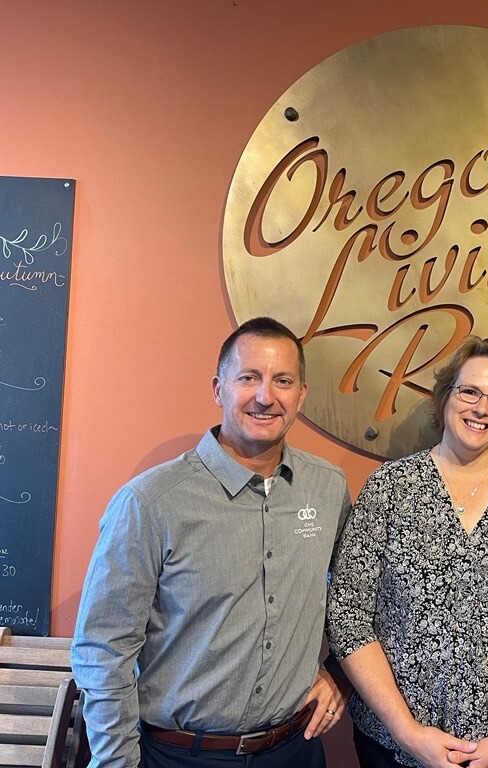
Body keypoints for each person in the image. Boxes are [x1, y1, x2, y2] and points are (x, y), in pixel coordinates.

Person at [71, 317, 353, 768]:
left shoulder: (326, 488)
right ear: (219, 388)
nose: (265, 396)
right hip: (178, 755)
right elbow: (103, 649)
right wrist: (116, 762)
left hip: (295, 750)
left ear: (302, 395)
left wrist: (338, 674)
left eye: (283, 381)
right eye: (249, 378)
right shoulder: (150, 503)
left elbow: (353, 599)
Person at [327, 336, 488, 768]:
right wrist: (409, 734)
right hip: (394, 748)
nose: (481, 408)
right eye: (469, 391)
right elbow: (348, 615)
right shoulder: (389, 489)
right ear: (445, 396)